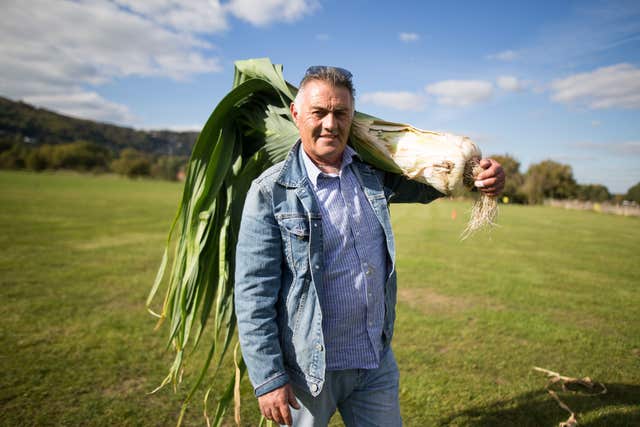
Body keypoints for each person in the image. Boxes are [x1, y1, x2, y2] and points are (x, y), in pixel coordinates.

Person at [234, 66, 505, 426]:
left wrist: (479, 176)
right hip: (307, 371)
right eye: (319, 112)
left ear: (352, 117)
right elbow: (253, 292)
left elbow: (430, 185)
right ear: (296, 114)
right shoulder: (270, 192)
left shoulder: (371, 173)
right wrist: (269, 379)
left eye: (341, 113)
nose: (330, 124)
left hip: (372, 362)